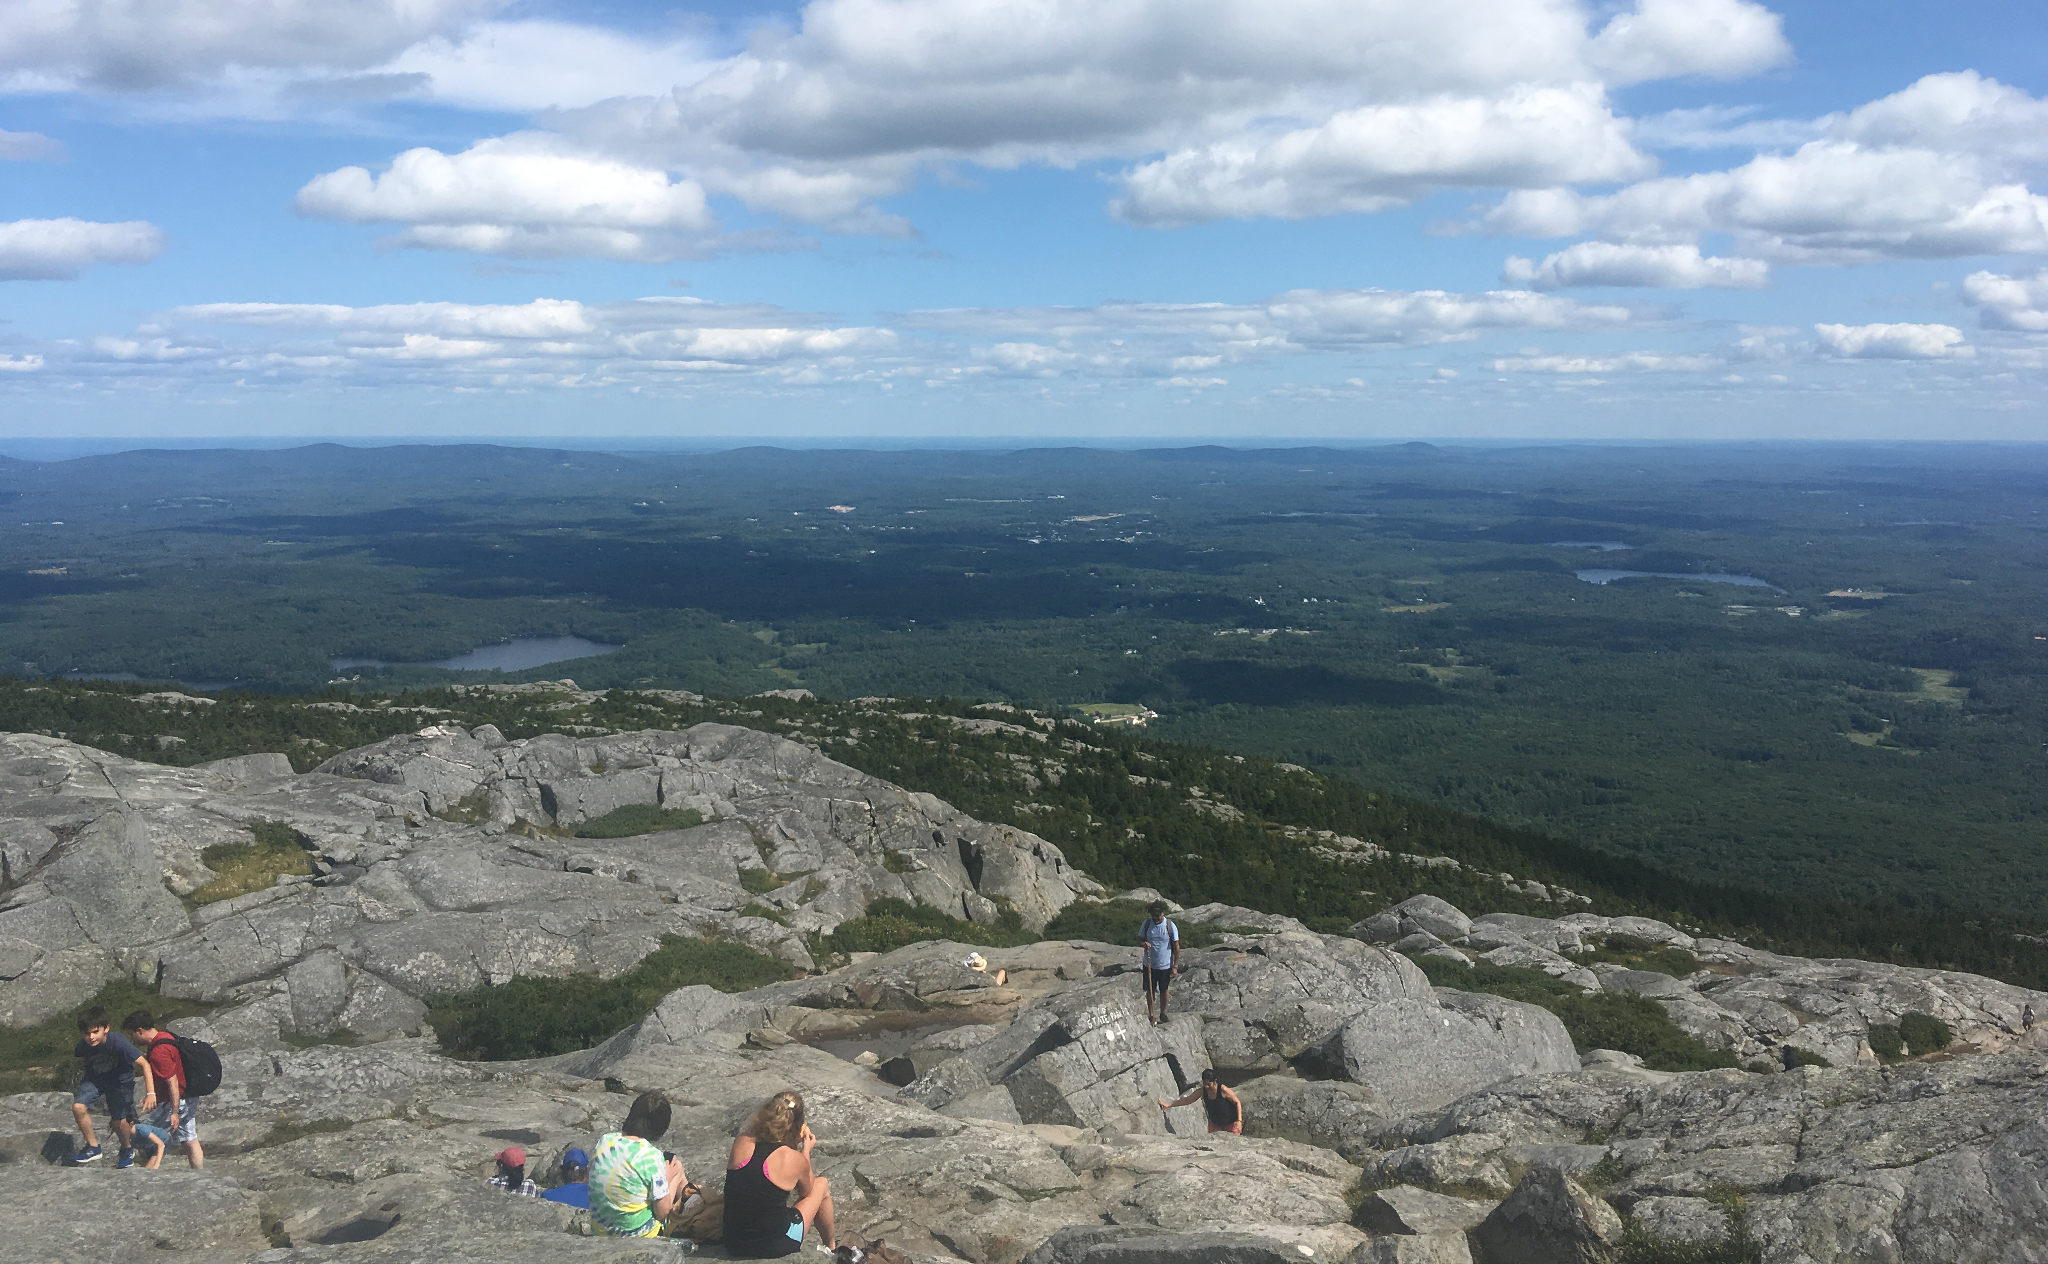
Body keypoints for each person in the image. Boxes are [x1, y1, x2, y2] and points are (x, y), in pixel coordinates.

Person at [725, 1090, 837, 1257]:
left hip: (733, 1242)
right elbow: (807, 1191)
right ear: (798, 1124)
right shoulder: (794, 1159)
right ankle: (832, 1247)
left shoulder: (742, 1140)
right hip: (773, 1244)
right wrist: (805, 1150)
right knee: (821, 1185)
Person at [590, 1091, 691, 1238]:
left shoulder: (605, 1141)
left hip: (601, 1231)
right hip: (639, 1235)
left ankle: (691, 1202)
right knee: (676, 1166)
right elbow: (662, 1213)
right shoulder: (651, 1156)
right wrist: (667, 1178)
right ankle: (692, 1204)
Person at [68, 1005, 150, 1168]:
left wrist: (151, 1093)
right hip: (95, 1079)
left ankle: (127, 1148)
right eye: (87, 1033)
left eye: (95, 1032)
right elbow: (80, 1056)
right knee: (78, 1107)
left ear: (106, 1028)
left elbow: (144, 1063)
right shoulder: (82, 1046)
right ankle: (93, 1147)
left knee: (119, 1122)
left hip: (120, 1082)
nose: (91, 1037)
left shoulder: (117, 1042)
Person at [124, 1011, 204, 1170]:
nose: (133, 1039)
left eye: (133, 1034)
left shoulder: (159, 1052)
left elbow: (172, 1082)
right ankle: (199, 1175)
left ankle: (147, 1173)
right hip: (188, 1097)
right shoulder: (166, 1036)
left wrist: (174, 1111)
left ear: (140, 1030)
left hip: (175, 1101)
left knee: (143, 1133)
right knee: (189, 1139)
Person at [1158, 1069, 1243, 1135]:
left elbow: (1237, 1102)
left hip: (1231, 1124)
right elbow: (1187, 1100)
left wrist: (1239, 1121)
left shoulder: (1223, 1090)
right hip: (1215, 1124)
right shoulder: (1202, 1091)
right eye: (1204, 1083)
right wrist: (1169, 1105)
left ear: (1215, 1081)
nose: (1206, 1086)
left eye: (1208, 1084)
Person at [1137, 901, 1180, 1025]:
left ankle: (1163, 1013)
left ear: (1163, 913)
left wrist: (1175, 966)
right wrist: (1143, 944)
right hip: (1149, 964)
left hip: (1165, 965)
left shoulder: (1170, 926)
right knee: (1150, 990)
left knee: (1164, 989)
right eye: (1153, 916)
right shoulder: (1147, 924)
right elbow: (1139, 939)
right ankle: (1151, 1014)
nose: (1155, 918)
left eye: (1157, 916)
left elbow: (1176, 947)